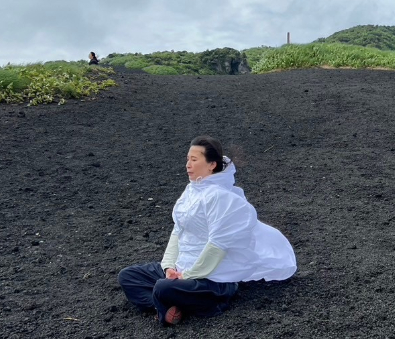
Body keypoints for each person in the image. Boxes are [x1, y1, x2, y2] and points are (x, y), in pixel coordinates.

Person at [118, 136, 297, 325]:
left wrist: (186, 276)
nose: (188, 164)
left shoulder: (224, 199)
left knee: (163, 288)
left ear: (211, 164)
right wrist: (169, 267)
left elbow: (217, 247)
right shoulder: (191, 191)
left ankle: (180, 303)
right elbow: (178, 231)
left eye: (194, 160)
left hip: (212, 277)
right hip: (183, 268)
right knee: (128, 276)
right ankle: (167, 306)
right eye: (188, 159)